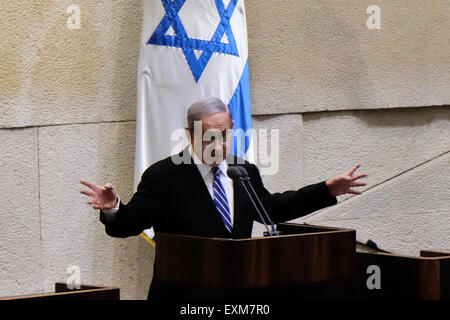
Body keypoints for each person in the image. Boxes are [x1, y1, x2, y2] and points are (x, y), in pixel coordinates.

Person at [80, 97, 367, 298]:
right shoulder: (164, 176)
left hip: (239, 295)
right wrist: (113, 208)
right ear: (189, 134)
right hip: (185, 297)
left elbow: (271, 209)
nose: (219, 144)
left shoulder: (242, 171)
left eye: (226, 134)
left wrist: (327, 190)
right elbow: (128, 225)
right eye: (209, 137)